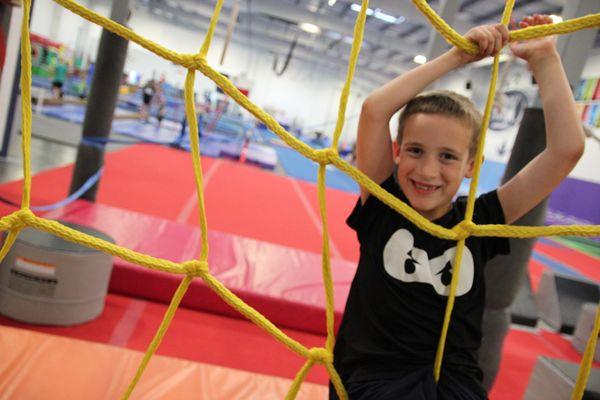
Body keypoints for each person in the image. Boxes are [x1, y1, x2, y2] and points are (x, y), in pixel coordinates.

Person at [331, 15, 585, 400]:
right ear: (397, 152)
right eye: (416, 150)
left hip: (455, 386)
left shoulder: (478, 221)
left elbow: (567, 150)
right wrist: (455, 57)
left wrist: (546, 59)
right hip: (376, 382)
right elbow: (374, 110)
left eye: (448, 156)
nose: (428, 170)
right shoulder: (384, 204)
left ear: (471, 165)